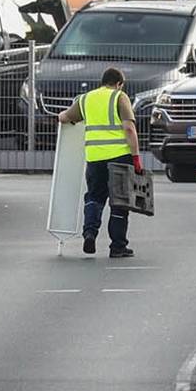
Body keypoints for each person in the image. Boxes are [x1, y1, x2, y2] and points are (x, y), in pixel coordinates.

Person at [61, 66, 141, 257]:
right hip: (120, 157)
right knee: (120, 202)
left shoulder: (85, 99)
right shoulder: (119, 97)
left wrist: (63, 117)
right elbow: (129, 128)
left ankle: (90, 233)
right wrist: (136, 157)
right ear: (119, 84)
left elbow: (64, 117)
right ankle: (117, 247)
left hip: (95, 157)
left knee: (94, 197)